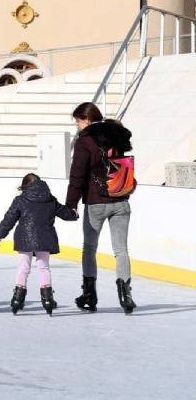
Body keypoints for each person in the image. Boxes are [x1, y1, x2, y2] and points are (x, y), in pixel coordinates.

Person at [67, 102, 136, 314]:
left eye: (78, 121)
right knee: (121, 250)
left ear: (86, 119)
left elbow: (77, 175)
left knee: (89, 248)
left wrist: (71, 204)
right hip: (120, 199)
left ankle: (89, 295)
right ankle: (126, 295)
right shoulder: (116, 134)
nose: (78, 126)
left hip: (96, 202)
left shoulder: (85, 141)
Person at [0, 173, 78, 314]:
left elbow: (9, 219)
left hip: (24, 239)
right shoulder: (50, 199)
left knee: (23, 268)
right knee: (43, 268)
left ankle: (17, 300)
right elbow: (65, 213)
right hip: (45, 239)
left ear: (25, 186)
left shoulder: (20, 200)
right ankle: (48, 300)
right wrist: (74, 214)